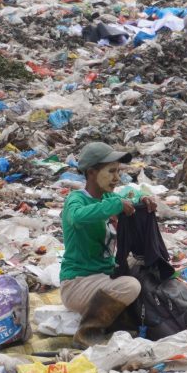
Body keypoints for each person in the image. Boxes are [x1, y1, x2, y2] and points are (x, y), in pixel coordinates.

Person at [60, 142, 156, 348]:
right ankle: (88, 333)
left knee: (143, 268)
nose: (117, 178)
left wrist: (143, 199)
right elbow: (77, 217)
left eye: (119, 171)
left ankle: (116, 323)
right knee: (131, 285)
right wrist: (113, 206)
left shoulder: (109, 197)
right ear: (92, 173)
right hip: (77, 283)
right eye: (111, 171)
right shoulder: (76, 200)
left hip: (102, 277)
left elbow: (128, 197)